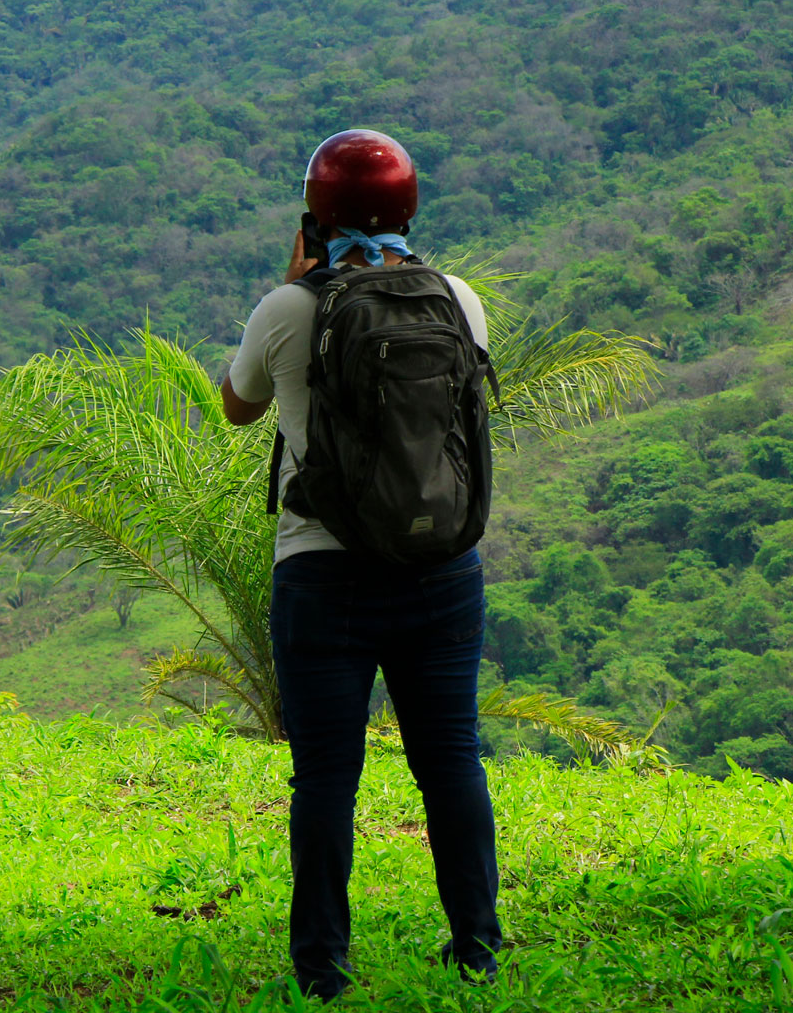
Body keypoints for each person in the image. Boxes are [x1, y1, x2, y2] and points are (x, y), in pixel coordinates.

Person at [220, 129, 501, 999]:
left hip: (324, 574)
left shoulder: (288, 309)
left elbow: (238, 406)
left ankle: (323, 969)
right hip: (441, 569)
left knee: (328, 777)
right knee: (451, 758)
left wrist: (297, 279)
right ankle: (479, 950)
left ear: (316, 213)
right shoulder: (457, 298)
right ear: (411, 207)